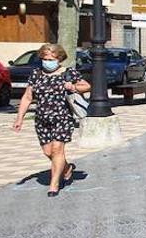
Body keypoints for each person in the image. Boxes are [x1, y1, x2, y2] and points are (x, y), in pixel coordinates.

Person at [12, 43, 90, 196]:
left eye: (51, 59)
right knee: (48, 152)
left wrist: (72, 87)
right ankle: (66, 168)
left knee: (57, 149)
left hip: (62, 117)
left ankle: (54, 184)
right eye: (45, 58)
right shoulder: (36, 74)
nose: (47, 62)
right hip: (41, 119)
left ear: (59, 59)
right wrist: (19, 118)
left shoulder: (68, 73)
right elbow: (27, 97)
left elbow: (86, 86)